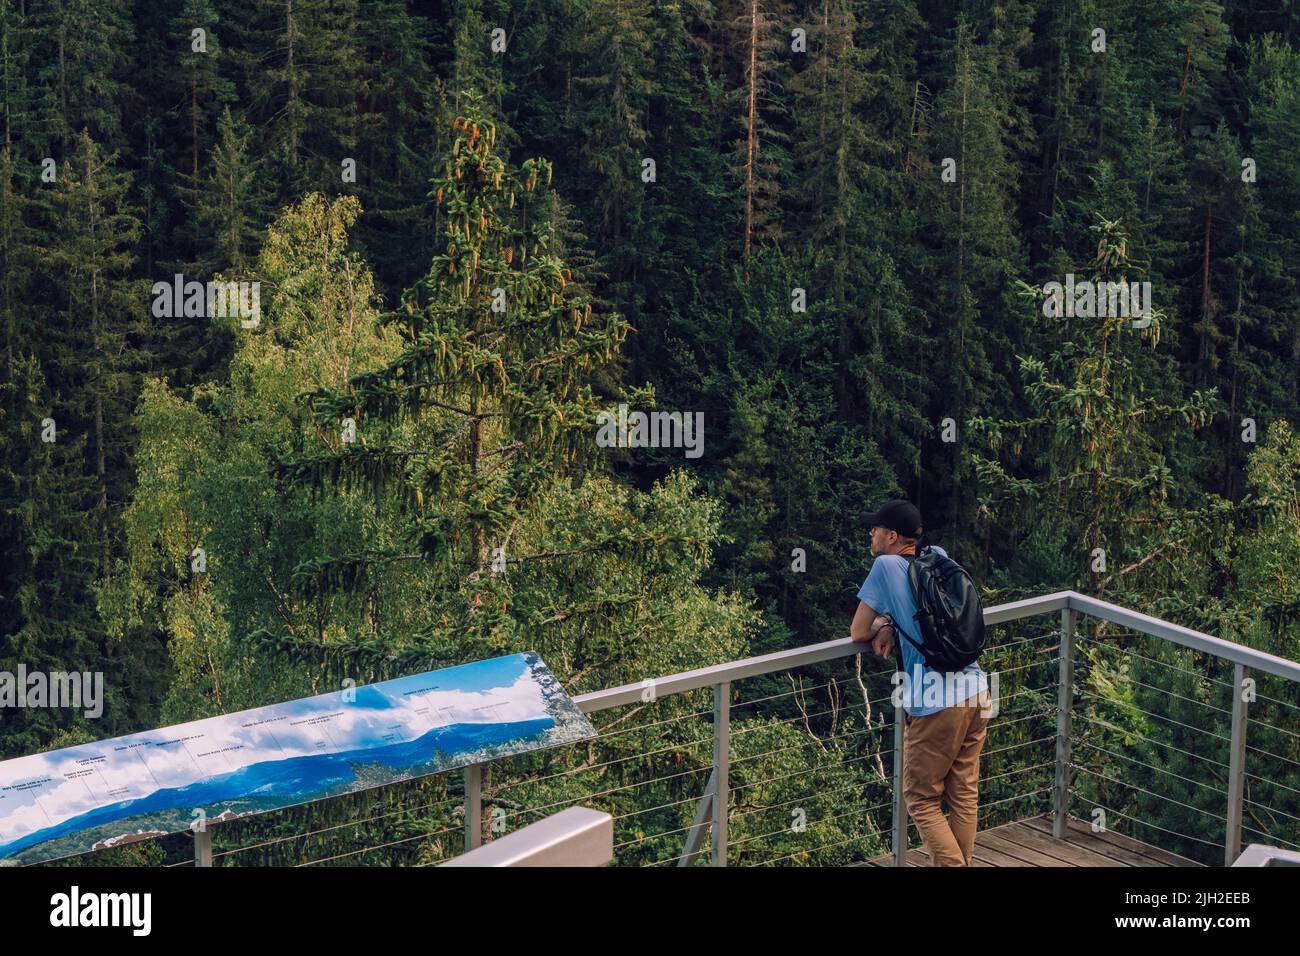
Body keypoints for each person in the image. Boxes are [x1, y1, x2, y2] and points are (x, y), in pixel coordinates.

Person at [850, 499, 991, 867]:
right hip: (976, 690)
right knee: (963, 794)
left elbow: (858, 631)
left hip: (936, 701)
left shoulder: (884, 565)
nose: (871, 533)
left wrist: (883, 625)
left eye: (876, 529)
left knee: (922, 800)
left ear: (891, 536)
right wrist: (894, 622)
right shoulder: (936, 556)